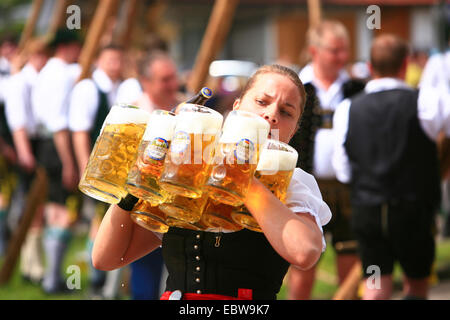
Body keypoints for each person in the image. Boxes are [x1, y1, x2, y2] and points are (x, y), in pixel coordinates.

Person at [91, 64, 332, 300]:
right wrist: (136, 183)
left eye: (286, 112)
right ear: (236, 108)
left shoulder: (292, 183)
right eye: (262, 102)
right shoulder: (190, 172)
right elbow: (106, 258)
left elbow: (305, 252)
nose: (271, 115)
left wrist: (240, 177)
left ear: (293, 131)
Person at [332, 34, 450, 300]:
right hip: (414, 210)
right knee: (417, 286)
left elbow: (342, 170)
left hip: (368, 210)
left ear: (370, 67)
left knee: (375, 287)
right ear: (406, 65)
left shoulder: (348, 108)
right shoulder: (426, 102)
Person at [287, 20, 364, 300]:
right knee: (303, 262)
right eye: (335, 50)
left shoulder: (356, 89)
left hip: (347, 188)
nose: (342, 57)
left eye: (345, 50)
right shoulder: (297, 87)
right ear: (314, 51)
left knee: (350, 262)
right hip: (306, 187)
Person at [68, 44, 124, 298]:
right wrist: (84, 168)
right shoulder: (88, 88)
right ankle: (96, 280)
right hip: (97, 168)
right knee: (98, 222)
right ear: (99, 61)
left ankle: (106, 281)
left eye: (118, 60)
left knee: (110, 219)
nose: (115, 65)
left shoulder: (121, 88)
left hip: (117, 168)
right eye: (110, 60)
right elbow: (80, 132)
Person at [31, 28, 82, 294]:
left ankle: (51, 277)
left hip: (47, 144)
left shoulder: (48, 71)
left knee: (55, 209)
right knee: (64, 213)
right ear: (67, 47)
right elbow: (60, 121)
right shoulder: (61, 74)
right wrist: (70, 163)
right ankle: (52, 279)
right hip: (59, 145)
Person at [4, 38, 51, 283]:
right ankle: (31, 266)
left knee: (37, 206)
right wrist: (24, 152)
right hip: (26, 146)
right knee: (29, 204)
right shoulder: (20, 82)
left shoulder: (37, 80)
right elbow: (19, 121)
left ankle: (32, 264)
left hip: (37, 143)